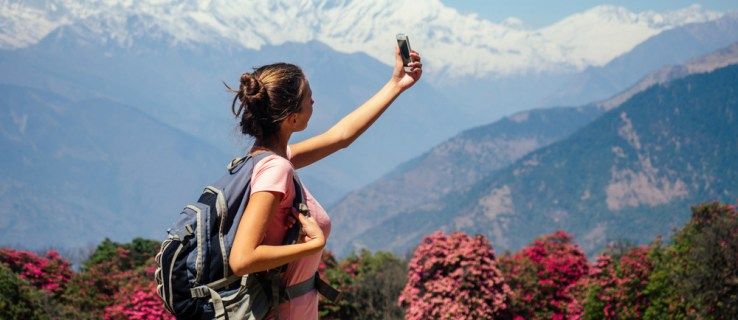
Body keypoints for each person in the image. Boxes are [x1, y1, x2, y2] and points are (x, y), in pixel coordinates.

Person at [227, 46, 422, 319]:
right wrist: (313, 244)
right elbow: (242, 259)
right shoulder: (276, 169)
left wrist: (396, 84)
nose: (314, 102)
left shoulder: (269, 160)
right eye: (308, 97)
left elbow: (341, 136)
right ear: (291, 117)